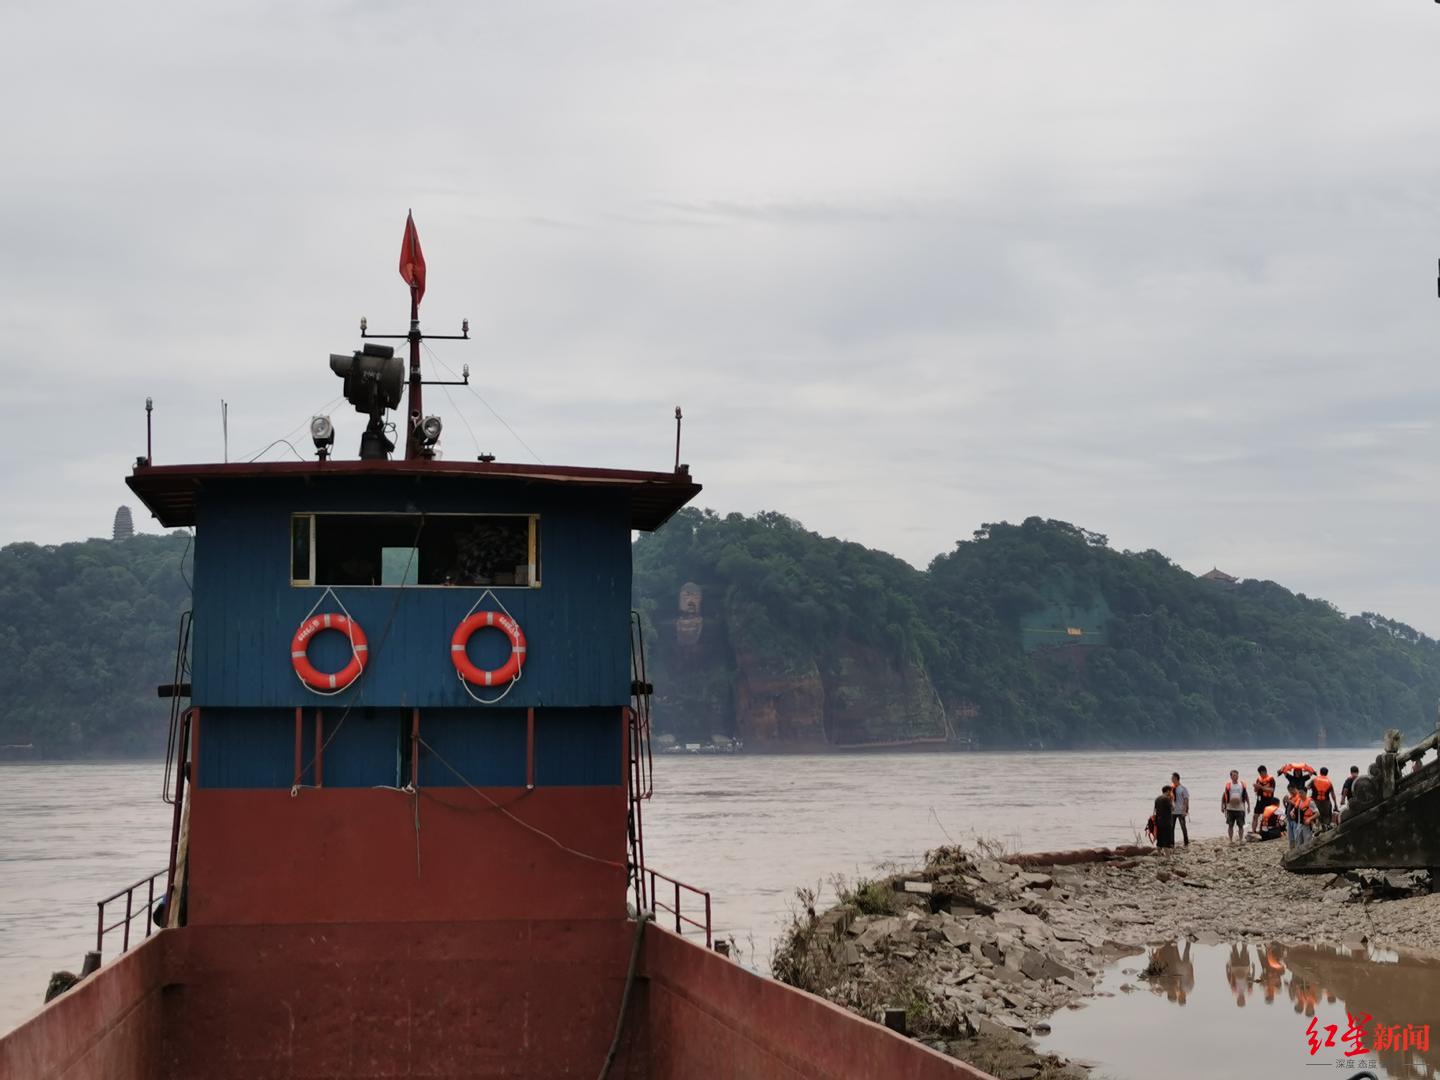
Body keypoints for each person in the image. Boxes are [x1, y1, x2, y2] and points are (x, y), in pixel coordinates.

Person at [1222, 769, 1249, 842]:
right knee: (1230, 825)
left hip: (1240, 808)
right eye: (1233, 775)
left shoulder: (1242, 785)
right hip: (1230, 808)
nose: (1235, 776)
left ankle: (1240, 839)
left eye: (1236, 775)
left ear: (1238, 776)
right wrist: (1222, 806)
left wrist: (1248, 806)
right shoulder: (1228, 785)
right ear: (1231, 776)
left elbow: (1246, 795)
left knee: (1241, 825)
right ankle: (1230, 840)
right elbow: (1224, 796)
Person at [1286, 783, 1316, 848]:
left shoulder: (1310, 802)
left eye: (1301, 793)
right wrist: (1292, 813)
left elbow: (1317, 813)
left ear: (1305, 793)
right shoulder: (1299, 801)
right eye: (1299, 793)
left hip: (1307, 826)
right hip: (1299, 825)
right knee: (1298, 843)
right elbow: (1293, 810)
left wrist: (1309, 819)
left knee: (1307, 843)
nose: (1300, 794)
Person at [1252, 766, 1276, 831]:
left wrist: (1261, 787)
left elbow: (1271, 790)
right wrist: (1255, 787)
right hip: (1259, 800)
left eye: (1262, 773)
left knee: (1266, 817)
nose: (1261, 775)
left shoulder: (1271, 779)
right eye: (1260, 773)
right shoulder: (1258, 779)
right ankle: (1253, 831)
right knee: (1255, 816)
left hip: (1268, 800)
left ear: (1265, 771)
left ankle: (1264, 830)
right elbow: (1255, 790)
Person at [1171, 772, 1190, 846]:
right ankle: (1172, 843)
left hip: (1180, 811)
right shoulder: (1171, 788)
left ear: (1176, 778)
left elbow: (1186, 799)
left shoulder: (1183, 788)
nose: (1171, 779)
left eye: (1172, 778)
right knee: (1171, 828)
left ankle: (1186, 842)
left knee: (1183, 827)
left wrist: (1185, 810)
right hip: (1173, 812)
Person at [1154, 785, 1176, 850]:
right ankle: (1168, 857)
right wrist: (1172, 800)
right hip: (1167, 822)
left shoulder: (1157, 798)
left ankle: (1159, 854)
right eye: (1171, 791)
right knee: (1167, 840)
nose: (1171, 793)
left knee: (1159, 840)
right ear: (1168, 791)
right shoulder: (1167, 799)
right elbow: (1173, 809)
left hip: (1159, 821)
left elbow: (1155, 810)